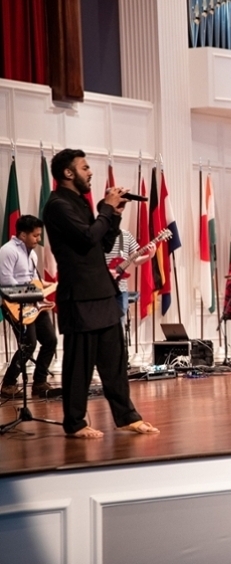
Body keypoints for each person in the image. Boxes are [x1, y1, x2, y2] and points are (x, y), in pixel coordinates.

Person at [43, 148, 158, 438]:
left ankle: (127, 417)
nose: (90, 172)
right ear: (68, 173)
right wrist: (105, 209)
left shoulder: (81, 204)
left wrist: (114, 215)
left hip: (102, 293)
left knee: (114, 361)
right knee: (79, 365)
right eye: (85, 168)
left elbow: (100, 246)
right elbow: (85, 239)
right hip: (79, 297)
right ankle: (75, 422)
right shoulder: (57, 205)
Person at [0, 215, 61, 399]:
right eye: (35, 235)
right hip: (14, 306)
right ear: (22, 234)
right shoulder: (7, 251)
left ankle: (39, 382)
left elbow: (35, 281)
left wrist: (45, 293)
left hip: (34, 305)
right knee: (29, 344)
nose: (38, 239)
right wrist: (33, 294)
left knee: (50, 340)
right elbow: (5, 282)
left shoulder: (32, 254)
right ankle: (8, 384)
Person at [104, 228, 155, 327]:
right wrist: (107, 272)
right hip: (103, 288)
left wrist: (149, 256)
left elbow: (136, 260)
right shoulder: (99, 235)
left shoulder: (126, 235)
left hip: (121, 289)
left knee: (121, 323)